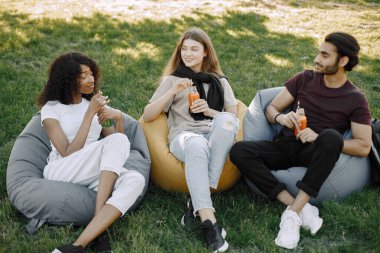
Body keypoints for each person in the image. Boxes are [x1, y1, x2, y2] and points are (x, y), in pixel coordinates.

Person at [230, 32, 371, 249]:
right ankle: (299, 207)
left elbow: (363, 146)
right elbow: (271, 108)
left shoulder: (355, 98)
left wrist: (318, 137)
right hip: (284, 146)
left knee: (331, 137)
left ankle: (292, 216)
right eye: (319, 52)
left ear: (342, 61)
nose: (317, 59)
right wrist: (281, 117)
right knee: (239, 151)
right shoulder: (304, 78)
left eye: (325, 55)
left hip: (316, 153)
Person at [36, 52, 145, 253]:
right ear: (68, 80)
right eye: (83, 75)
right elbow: (67, 152)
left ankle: (79, 244)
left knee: (136, 179)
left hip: (90, 172)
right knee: (117, 142)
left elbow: (118, 147)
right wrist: (89, 114)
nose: (91, 79)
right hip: (62, 169)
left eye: (91, 73)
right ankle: (100, 224)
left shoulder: (92, 105)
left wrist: (118, 119)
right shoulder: (51, 109)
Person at [143, 27, 238, 252]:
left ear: (206, 52)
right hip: (185, 136)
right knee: (196, 144)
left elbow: (232, 118)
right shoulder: (174, 80)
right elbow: (148, 115)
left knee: (225, 122)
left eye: (195, 49)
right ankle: (208, 220)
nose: (188, 54)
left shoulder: (220, 81)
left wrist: (210, 111)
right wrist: (172, 90)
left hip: (213, 134)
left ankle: (195, 202)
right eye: (184, 49)